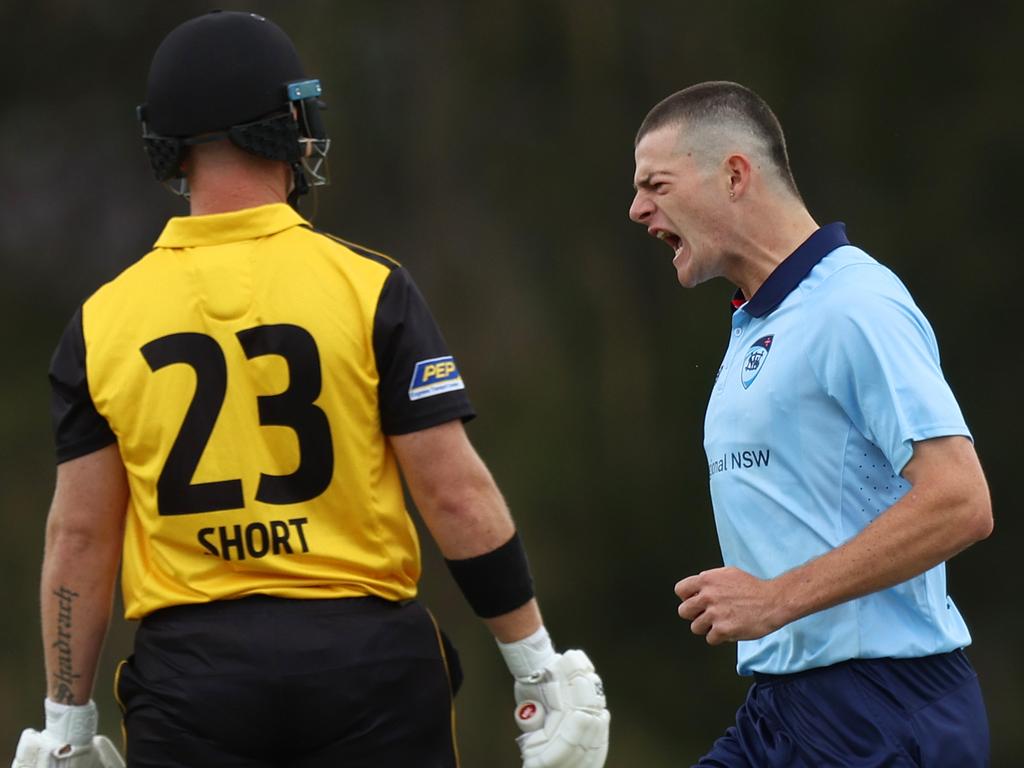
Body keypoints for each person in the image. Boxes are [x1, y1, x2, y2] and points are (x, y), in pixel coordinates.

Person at [14, 11, 609, 768]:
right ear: (284, 126)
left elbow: (80, 536)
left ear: (166, 144)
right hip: (362, 665)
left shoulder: (101, 321)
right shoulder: (368, 286)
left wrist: (66, 721)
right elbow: (454, 492)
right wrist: (536, 664)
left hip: (193, 680)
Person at [628, 81, 993, 767]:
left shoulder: (855, 304)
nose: (637, 207)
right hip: (786, 710)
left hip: (882, 708)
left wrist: (776, 598)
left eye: (657, 184)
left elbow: (961, 501)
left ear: (735, 174)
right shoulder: (756, 323)